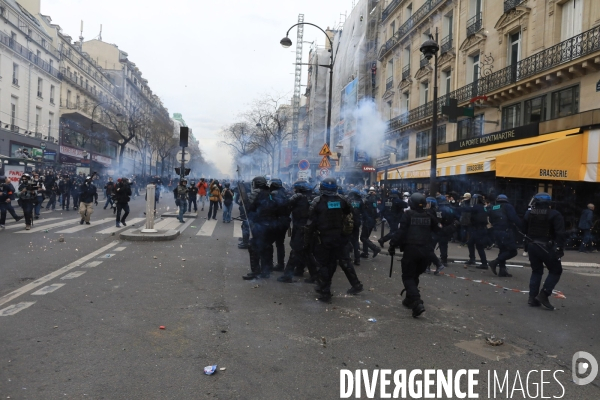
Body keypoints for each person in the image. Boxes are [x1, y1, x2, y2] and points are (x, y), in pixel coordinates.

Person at [388, 193, 441, 317]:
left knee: (407, 277)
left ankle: (417, 302)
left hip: (411, 250)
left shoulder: (408, 215)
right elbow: (438, 230)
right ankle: (409, 299)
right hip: (426, 251)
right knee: (415, 275)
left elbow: (401, 232)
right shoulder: (429, 215)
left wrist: (392, 244)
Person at [306, 178, 354, 302]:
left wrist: (306, 240)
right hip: (338, 238)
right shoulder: (342, 200)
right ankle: (325, 286)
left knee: (322, 264)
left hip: (322, 238)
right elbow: (349, 213)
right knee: (332, 263)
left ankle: (325, 291)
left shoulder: (317, 201)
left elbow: (310, 222)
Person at [523, 192, 566, 310]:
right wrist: (560, 248)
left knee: (536, 271)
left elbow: (525, 230)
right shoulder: (554, 214)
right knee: (556, 270)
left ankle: (532, 297)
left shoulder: (529, 213)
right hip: (547, 247)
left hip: (532, 246)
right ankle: (544, 294)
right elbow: (560, 233)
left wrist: (526, 247)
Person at [278, 180, 316, 282]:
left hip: (302, 227)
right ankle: (310, 273)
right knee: (306, 252)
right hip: (307, 227)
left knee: (296, 250)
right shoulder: (311, 198)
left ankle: (287, 275)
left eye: (295, 189)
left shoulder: (299, 197)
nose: (294, 190)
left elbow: (285, 206)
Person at [243, 176, 278, 280]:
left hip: (260, 224)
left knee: (253, 246)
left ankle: (256, 271)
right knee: (266, 247)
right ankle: (266, 270)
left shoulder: (257, 192)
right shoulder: (270, 193)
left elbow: (249, 206)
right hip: (271, 225)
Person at [488, 194, 522, 277]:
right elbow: (513, 218)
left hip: (496, 232)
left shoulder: (493, 207)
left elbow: (491, 220)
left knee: (503, 250)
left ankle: (502, 271)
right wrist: (521, 226)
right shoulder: (508, 206)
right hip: (506, 231)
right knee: (513, 251)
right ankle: (494, 262)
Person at [269, 178, 290, 271]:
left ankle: (268, 264)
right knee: (280, 244)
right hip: (285, 221)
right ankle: (280, 264)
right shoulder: (286, 193)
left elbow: (270, 207)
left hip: (277, 222)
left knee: (268, 243)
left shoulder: (273, 194)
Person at [466, 194, 489, 269]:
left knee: (479, 246)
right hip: (480, 229)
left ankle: (484, 263)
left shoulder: (477, 207)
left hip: (477, 229)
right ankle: (472, 259)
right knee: (470, 243)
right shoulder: (483, 207)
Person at [360, 187, 381, 258]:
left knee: (363, 238)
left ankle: (375, 248)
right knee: (366, 237)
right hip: (372, 220)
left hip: (368, 221)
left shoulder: (367, 199)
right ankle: (365, 252)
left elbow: (363, 210)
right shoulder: (374, 200)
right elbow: (377, 211)